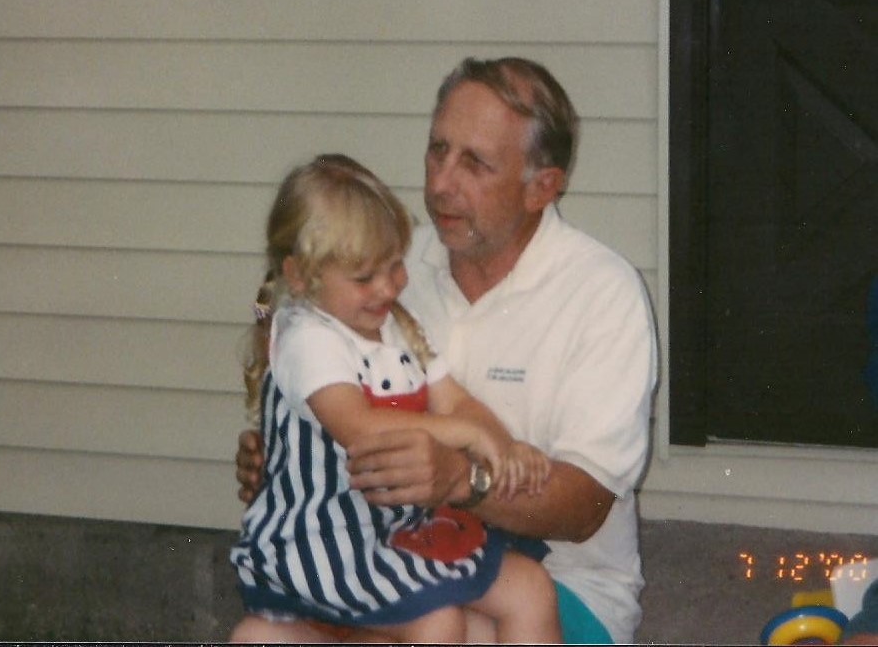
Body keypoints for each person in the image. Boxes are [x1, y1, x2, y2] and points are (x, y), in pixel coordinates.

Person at [236, 57, 658, 643]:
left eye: (474, 163)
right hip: (394, 549)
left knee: (457, 630)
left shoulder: (602, 293)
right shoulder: (388, 270)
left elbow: (584, 509)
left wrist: (461, 481)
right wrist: (291, 456)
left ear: (542, 187)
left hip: (561, 579)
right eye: (438, 151)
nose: (440, 184)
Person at [228, 153, 562, 644]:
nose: (388, 287)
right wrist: (466, 436)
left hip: (393, 529)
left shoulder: (393, 325)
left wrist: (503, 447)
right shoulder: (307, 337)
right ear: (298, 276)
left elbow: (455, 402)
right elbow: (360, 429)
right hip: (329, 546)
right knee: (439, 622)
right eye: (365, 277)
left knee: (529, 589)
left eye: (394, 266)